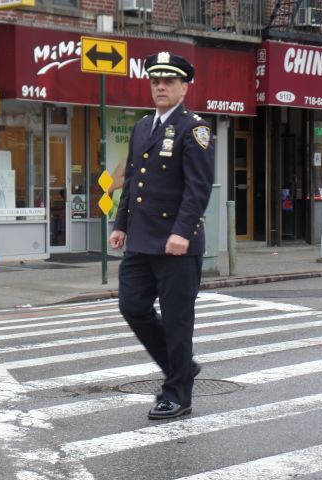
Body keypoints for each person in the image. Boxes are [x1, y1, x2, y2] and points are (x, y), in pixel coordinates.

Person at [109, 51, 214, 420]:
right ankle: (180, 366)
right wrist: (120, 224)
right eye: (156, 81)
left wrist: (182, 232)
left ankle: (178, 394)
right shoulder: (142, 127)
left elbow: (198, 188)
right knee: (131, 305)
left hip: (176, 244)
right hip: (141, 238)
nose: (161, 87)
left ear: (184, 87)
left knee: (177, 319)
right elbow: (133, 181)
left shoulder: (195, 128)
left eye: (169, 81)